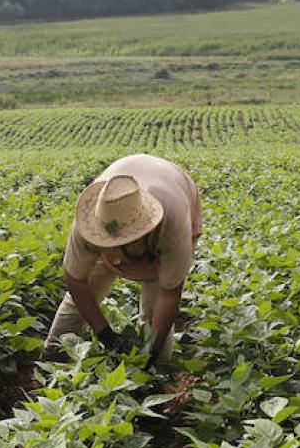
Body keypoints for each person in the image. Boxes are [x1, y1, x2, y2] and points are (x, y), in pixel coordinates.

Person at [47, 154, 202, 363]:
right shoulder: (89, 223)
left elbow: (169, 292)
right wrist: (105, 334)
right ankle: (53, 359)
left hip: (172, 188)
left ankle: (156, 375)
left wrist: (152, 353)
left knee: (153, 313)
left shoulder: (172, 223)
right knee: (80, 302)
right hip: (130, 176)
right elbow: (76, 280)